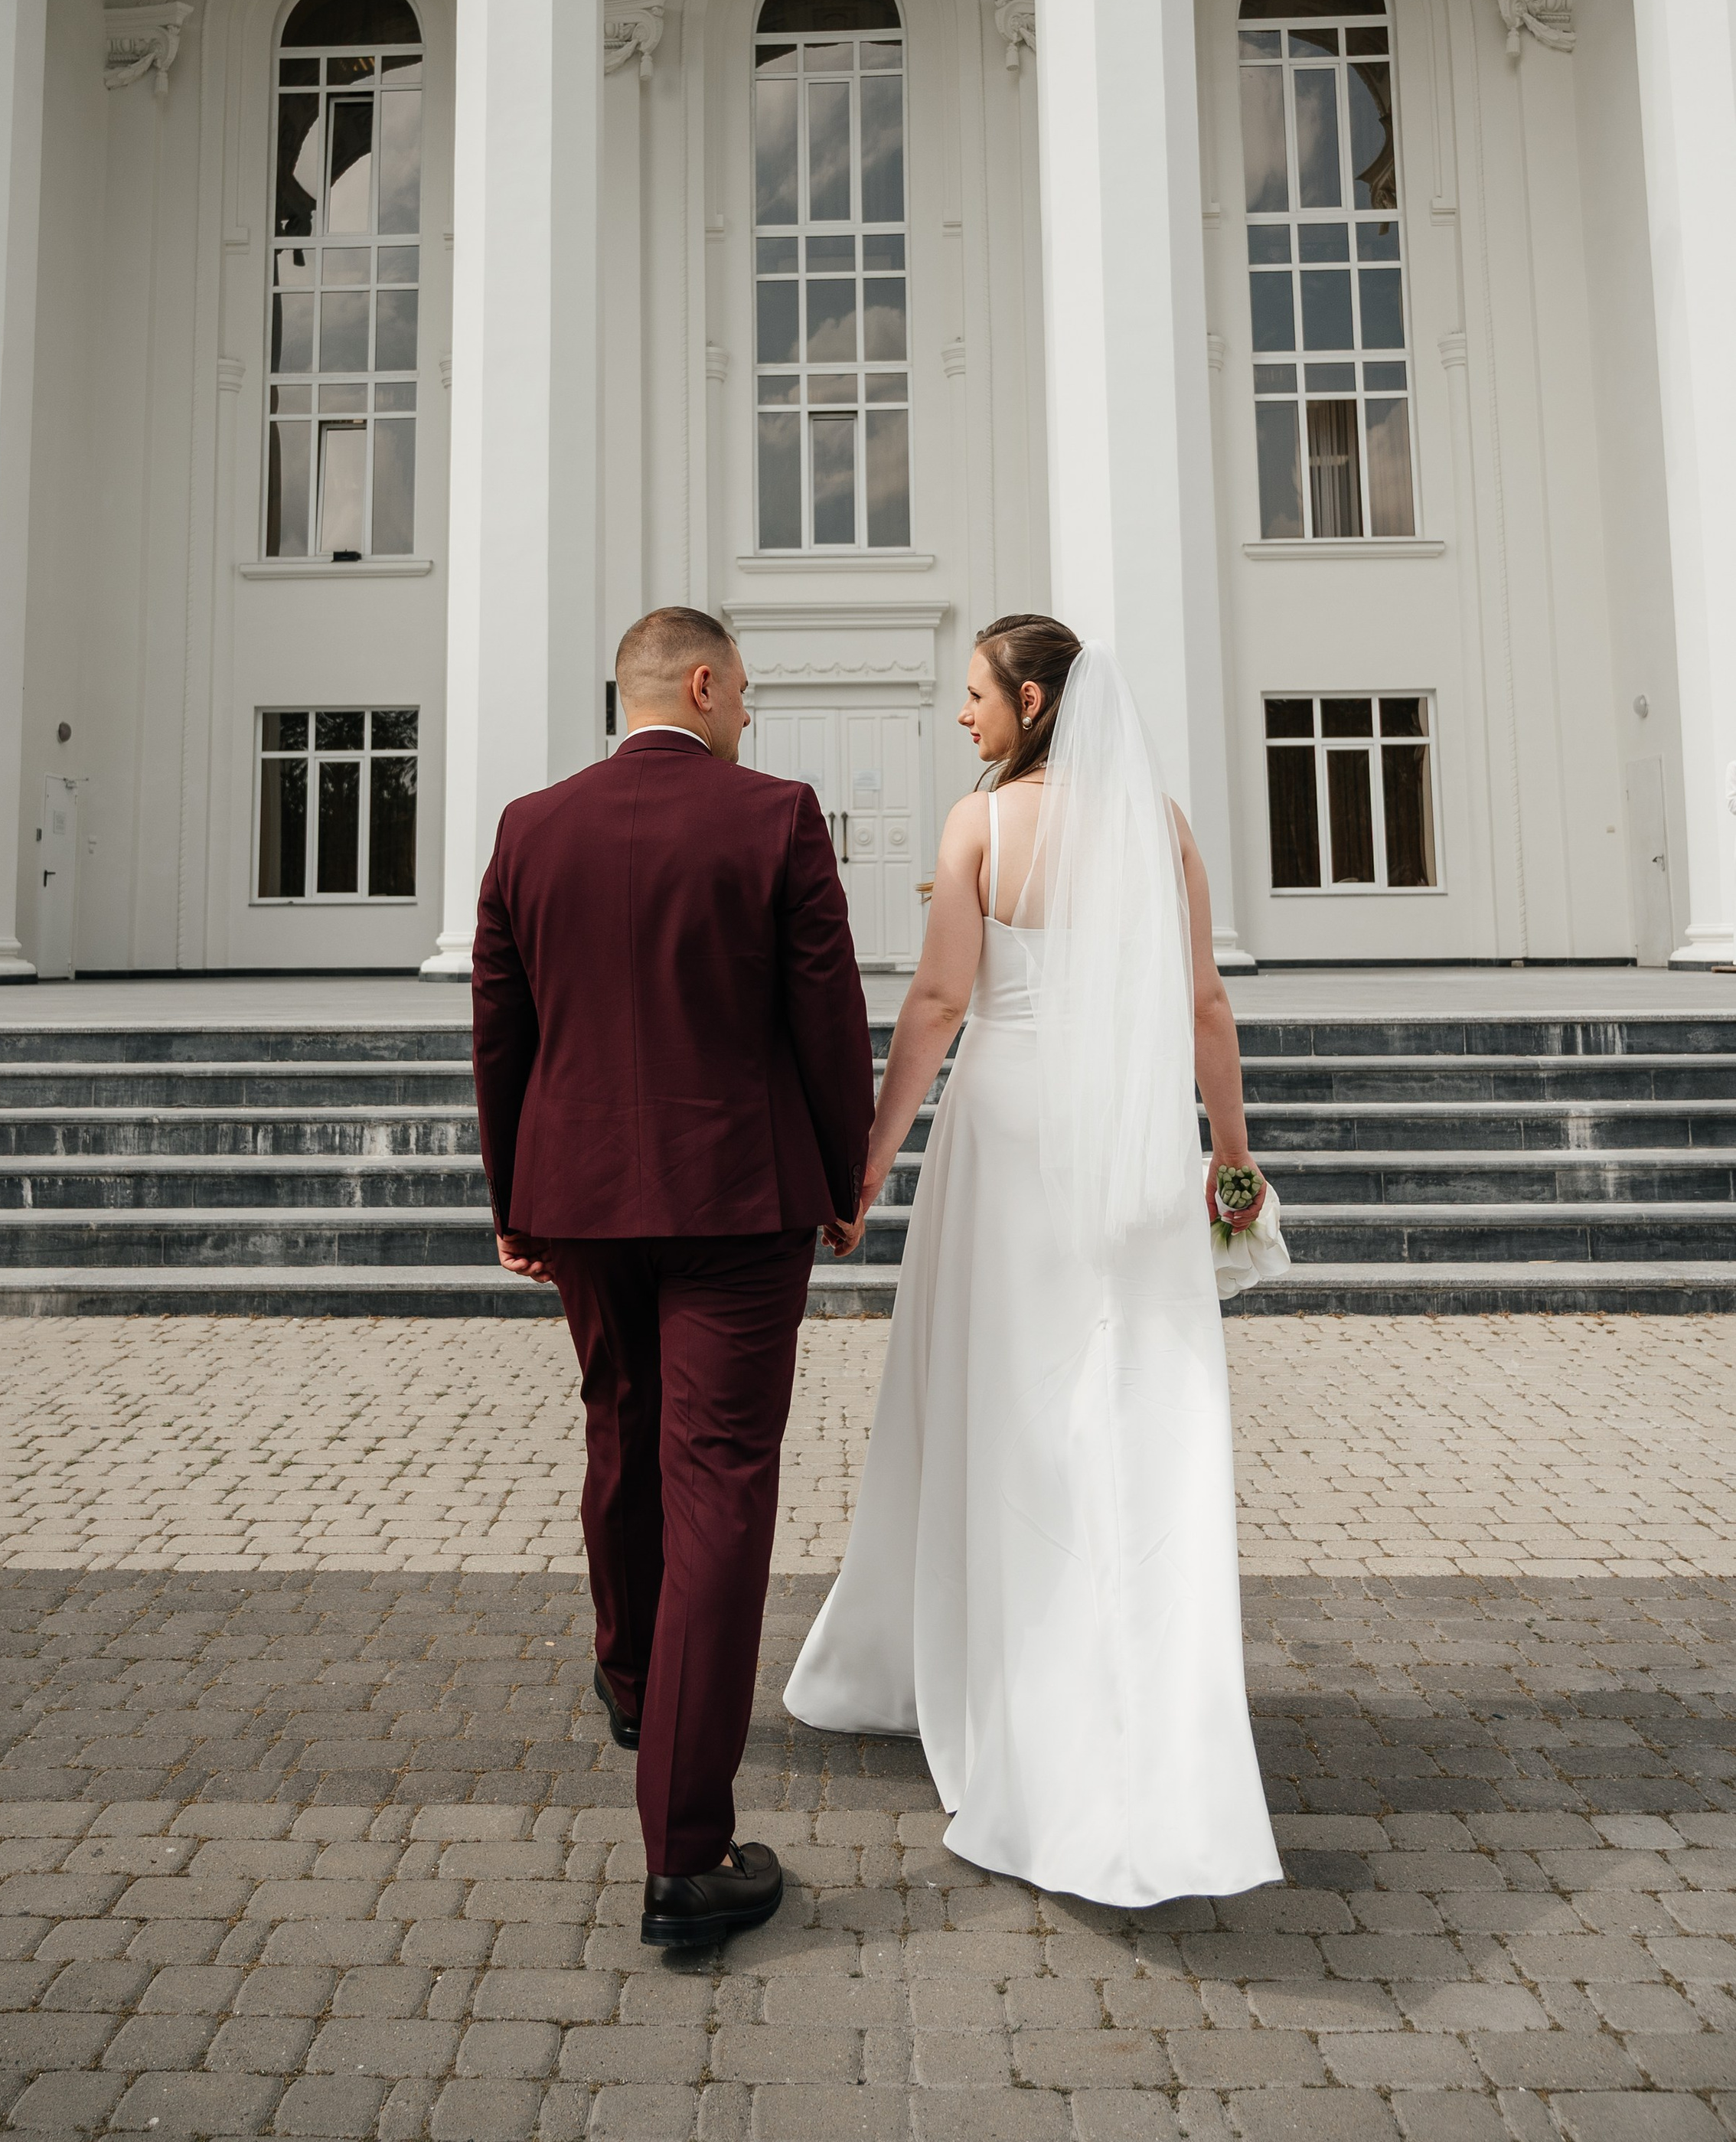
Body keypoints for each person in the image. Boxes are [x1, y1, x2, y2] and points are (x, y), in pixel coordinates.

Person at [785, 614, 1282, 1906]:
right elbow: (1203, 1007)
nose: (963, 717)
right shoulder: (1160, 827)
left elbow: (941, 1005)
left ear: (1034, 699)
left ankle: (1000, 1675)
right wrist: (1230, 1157)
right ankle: (1147, 1708)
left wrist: (876, 1154)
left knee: (1004, 1411)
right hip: (1132, 1151)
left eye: (975, 695)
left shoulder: (982, 828)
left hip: (1006, 1149)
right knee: (1133, 1414)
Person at [471, 605, 874, 1950]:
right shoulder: (774, 817)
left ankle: (636, 1681)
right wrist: (844, 1173)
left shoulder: (531, 826)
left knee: (621, 1432)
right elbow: (826, 1015)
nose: (750, 717)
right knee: (720, 1486)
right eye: (744, 692)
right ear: (699, 684)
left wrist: (511, 1197)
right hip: (736, 1197)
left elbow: (502, 1022)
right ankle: (686, 1857)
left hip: (578, 1193)